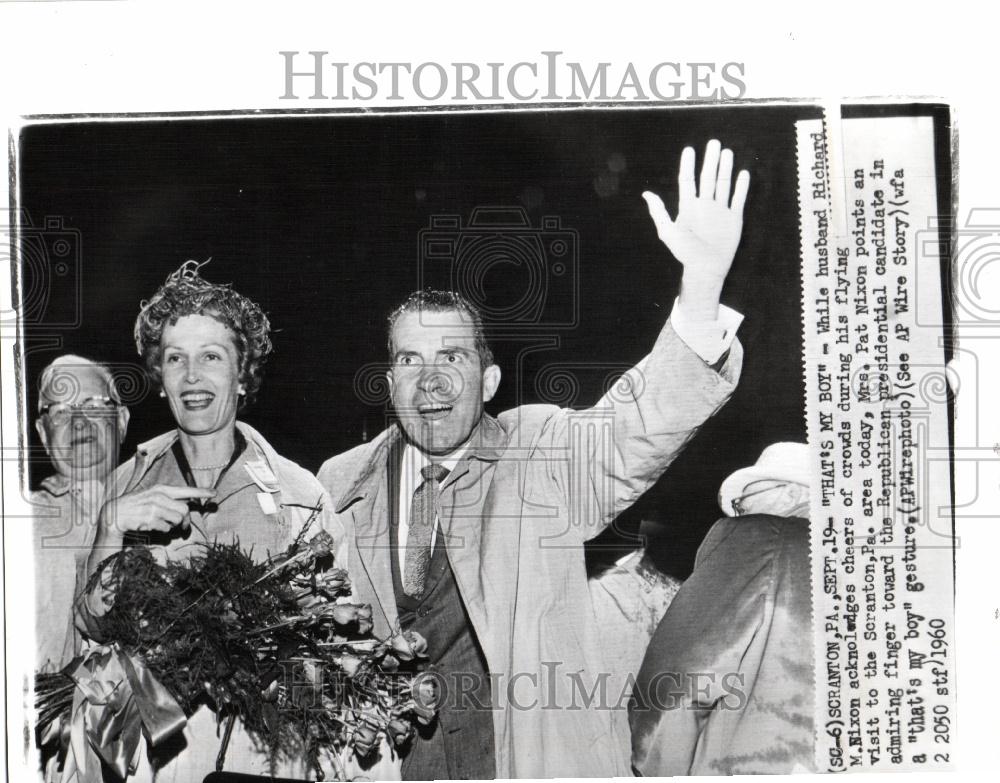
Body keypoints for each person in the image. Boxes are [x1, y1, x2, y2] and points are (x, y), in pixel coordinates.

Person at [318, 139, 749, 779]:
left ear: (489, 381)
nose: (429, 380)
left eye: (453, 358)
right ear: (388, 383)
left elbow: (634, 426)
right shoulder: (337, 483)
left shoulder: (539, 453)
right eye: (410, 360)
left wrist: (702, 290)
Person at [77, 262, 345, 782]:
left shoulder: (300, 495)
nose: (192, 377)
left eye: (212, 357)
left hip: (264, 755)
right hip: (152, 757)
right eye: (175, 359)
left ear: (242, 375)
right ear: (159, 378)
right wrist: (112, 528)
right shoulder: (123, 485)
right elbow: (91, 629)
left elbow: (332, 650)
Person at [629, 442, 816, 775]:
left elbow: (681, 682)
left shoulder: (760, 534)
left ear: (791, 494)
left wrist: (655, 767)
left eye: (744, 501)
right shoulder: (872, 575)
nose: (736, 512)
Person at [31, 355, 130, 674]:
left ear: (122, 420)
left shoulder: (169, 515)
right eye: (60, 411)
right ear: (43, 435)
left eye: (93, 404)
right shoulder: (20, 524)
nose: (77, 421)